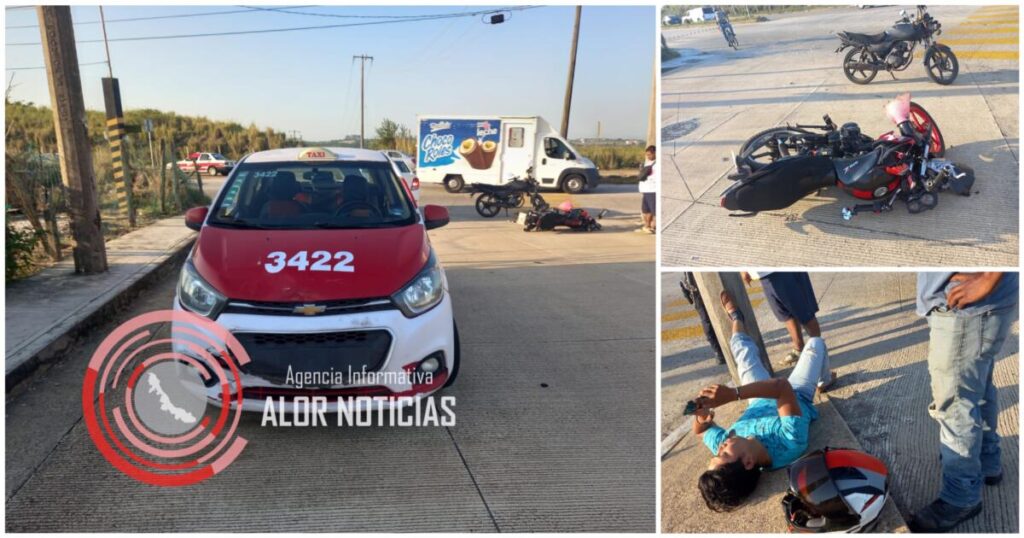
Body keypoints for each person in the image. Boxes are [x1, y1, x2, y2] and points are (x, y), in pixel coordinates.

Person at [694, 289, 835, 512]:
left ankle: (736, 317)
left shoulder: (731, 442)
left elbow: (701, 431)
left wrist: (700, 412)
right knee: (815, 344)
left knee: (740, 348)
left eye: (716, 453)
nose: (719, 447)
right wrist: (733, 394)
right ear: (748, 462)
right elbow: (782, 388)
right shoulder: (789, 443)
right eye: (723, 454)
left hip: (757, 400)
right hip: (796, 393)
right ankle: (825, 379)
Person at [909, 272, 1018, 532]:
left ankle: (961, 497)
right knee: (976, 390)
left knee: (955, 404)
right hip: (975, 304)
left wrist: (989, 278)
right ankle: (987, 461)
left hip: (967, 305)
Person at [743, 272, 823, 366]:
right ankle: (799, 349)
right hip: (764, 276)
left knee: (804, 313)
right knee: (786, 314)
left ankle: (819, 356)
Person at [680, 273, 725, 364]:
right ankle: (719, 352)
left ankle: (722, 350)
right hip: (696, 290)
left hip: (712, 284)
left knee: (722, 315)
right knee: (707, 323)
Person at [637, 145, 657, 235]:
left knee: (654, 210)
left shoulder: (657, 164)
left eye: (650, 154)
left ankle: (654, 226)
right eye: (647, 155)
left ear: (655, 153)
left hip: (652, 190)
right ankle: (647, 226)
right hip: (645, 190)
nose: (648, 156)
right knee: (646, 210)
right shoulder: (646, 163)